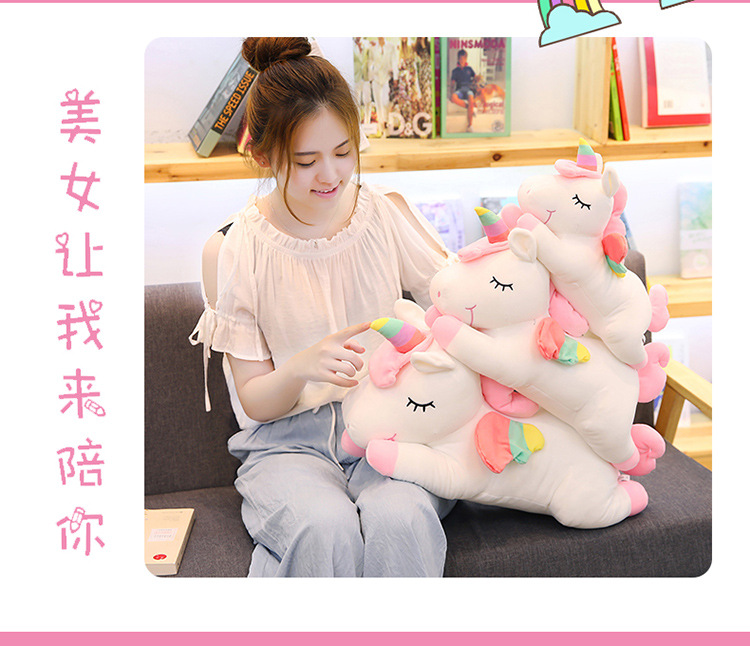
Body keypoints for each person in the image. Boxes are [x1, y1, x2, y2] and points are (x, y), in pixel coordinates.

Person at [190, 37, 455, 577]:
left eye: (343, 152)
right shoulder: (234, 249)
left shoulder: (384, 215)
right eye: (307, 161)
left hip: (392, 427)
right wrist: (301, 367)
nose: (331, 175)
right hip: (288, 447)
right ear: (263, 156)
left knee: (401, 518)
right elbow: (255, 402)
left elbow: (460, 304)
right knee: (324, 526)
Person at [450, 49, 476, 133]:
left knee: (471, 97)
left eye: (464, 59)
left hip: (468, 89)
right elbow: (452, 84)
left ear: (466, 59)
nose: (462, 60)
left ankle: (470, 126)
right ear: (458, 59)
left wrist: (474, 84)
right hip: (460, 91)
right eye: (461, 59)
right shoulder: (455, 71)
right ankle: (470, 108)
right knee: (453, 97)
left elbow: (476, 77)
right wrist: (451, 93)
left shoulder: (469, 69)